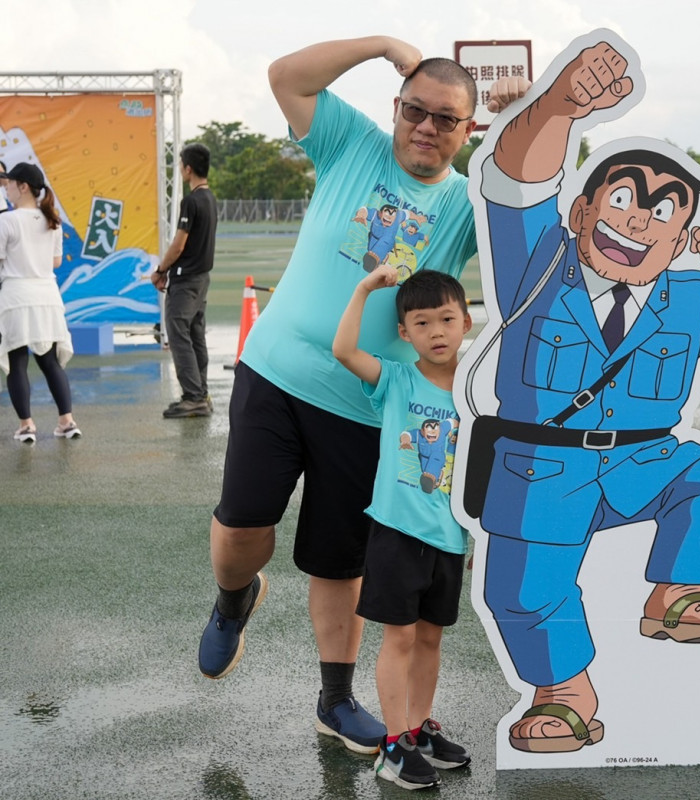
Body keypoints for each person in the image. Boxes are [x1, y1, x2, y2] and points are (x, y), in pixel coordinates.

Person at [469, 41, 700, 753]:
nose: (639, 220)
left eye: (664, 212)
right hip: (543, 467)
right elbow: (513, 176)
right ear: (581, 212)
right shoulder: (538, 263)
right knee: (524, 593)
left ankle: (677, 593)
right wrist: (561, 105)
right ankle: (565, 693)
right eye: (624, 199)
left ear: (680, 241)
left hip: (644, 462)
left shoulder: (689, 296)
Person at [196, 36, 487, 756]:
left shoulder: (466, 204)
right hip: (276, 373)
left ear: (467, 130)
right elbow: (283, 76)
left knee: (339, 560)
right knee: (241, 528)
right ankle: (235, 598)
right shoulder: (352, 143)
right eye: (416, 110)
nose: (427, 126)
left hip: (367, 404)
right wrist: (383, 45)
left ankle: (335, 697)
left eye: (445, 118)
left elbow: (543, 226)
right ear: (397, 109)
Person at [332, 266, 472, 790]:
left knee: (431, 639)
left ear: (465, 322)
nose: (437, 331)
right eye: (422, 322)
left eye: (447, 319)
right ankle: (393, 745)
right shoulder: (397, 379)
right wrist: (365, 289)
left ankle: (417, 729)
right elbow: (344, 350)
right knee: (401, 639)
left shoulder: (481, 387)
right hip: (398, 532)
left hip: (451, 535)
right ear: (404, 333)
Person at [0, 162, 82, 443]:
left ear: (22, 187)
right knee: (49, 361)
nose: (6, 187)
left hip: (16, 297)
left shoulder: (7, 221)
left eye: (9, 183)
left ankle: (26, 426)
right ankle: (67, 421)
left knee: (17, 362)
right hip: (47, 297)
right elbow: (56, 262)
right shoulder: (52, 220)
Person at [151, 143, 217, 418]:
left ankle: (193, 397)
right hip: (201, 278)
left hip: (186, 279)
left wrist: (160, 269)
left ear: (188, 169)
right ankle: (201, 392)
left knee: (178, 334)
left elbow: (179, 244)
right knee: (194, 334)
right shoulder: (210, 198)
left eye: (180, 165)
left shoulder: (190, 201)